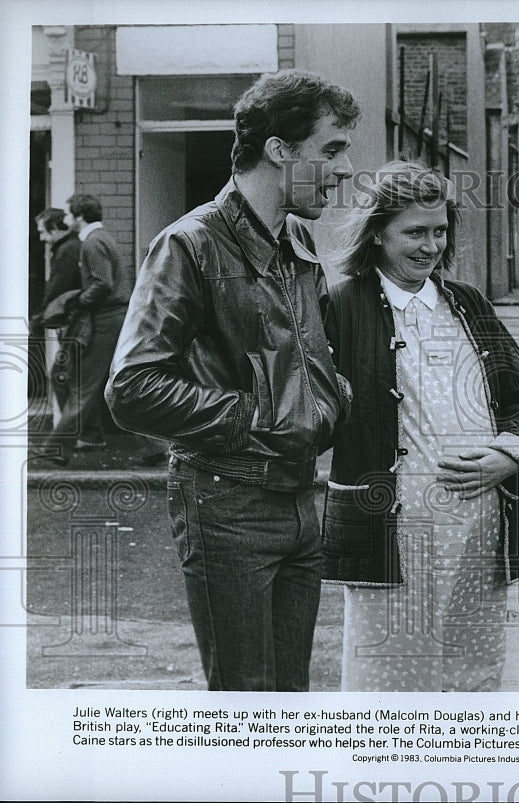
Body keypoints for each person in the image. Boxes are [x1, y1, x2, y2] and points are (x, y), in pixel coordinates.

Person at [105, 69, 359, 691]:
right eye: (331, 150)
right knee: (245, 702)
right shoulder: (188, 245)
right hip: (227, 504)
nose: (345, 169)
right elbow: (133, 386)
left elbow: (312, 356)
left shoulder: (296, 241)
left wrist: (333, 398)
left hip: (302, 498)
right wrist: (260, 419)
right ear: (279, 150)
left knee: (289, 701)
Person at [322, 161, 519, 691]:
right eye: (415, 232)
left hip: (481, 528)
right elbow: (310, 405)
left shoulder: (467, 304)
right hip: (392, 534)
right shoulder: (340, 307)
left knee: (472, 679)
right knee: (391, 686)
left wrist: (508, 458)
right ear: (378, 232)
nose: (430, 246)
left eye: (440, 231)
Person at [36, 194, 139, 465]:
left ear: (80, 216)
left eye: (69, 214)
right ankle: (94, 437)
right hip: (108, 318)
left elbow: (103, 283)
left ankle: (55, 447)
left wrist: (77, 301)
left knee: (84, 385)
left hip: (105, 319)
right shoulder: (100, 238)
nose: (66, 219)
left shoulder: (93, 242)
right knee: (94, 382)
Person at [31, 208, 82, 415]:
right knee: (70, 378)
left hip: (74, 323)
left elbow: (56, 289)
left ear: (54, 228)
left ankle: (75, 435)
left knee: (62, 377)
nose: (42, 238)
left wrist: (36, 320)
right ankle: (89, 435)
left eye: (43, 232)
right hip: (75, 320)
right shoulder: (70, 247)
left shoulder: (67, 250)